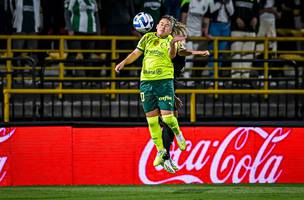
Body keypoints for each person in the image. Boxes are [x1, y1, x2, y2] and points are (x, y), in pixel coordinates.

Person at [115, 15, 209, 173]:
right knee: (162, 121)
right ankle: (164, 155)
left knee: (168, 121)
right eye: (161, 24)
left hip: (166, 83)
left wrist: (174, 93)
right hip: (154, 83)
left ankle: (166, 155)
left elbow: (173, 69)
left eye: (167, 25)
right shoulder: (156, 41)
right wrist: (123, 62)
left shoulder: (175, 48)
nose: (163, 27)